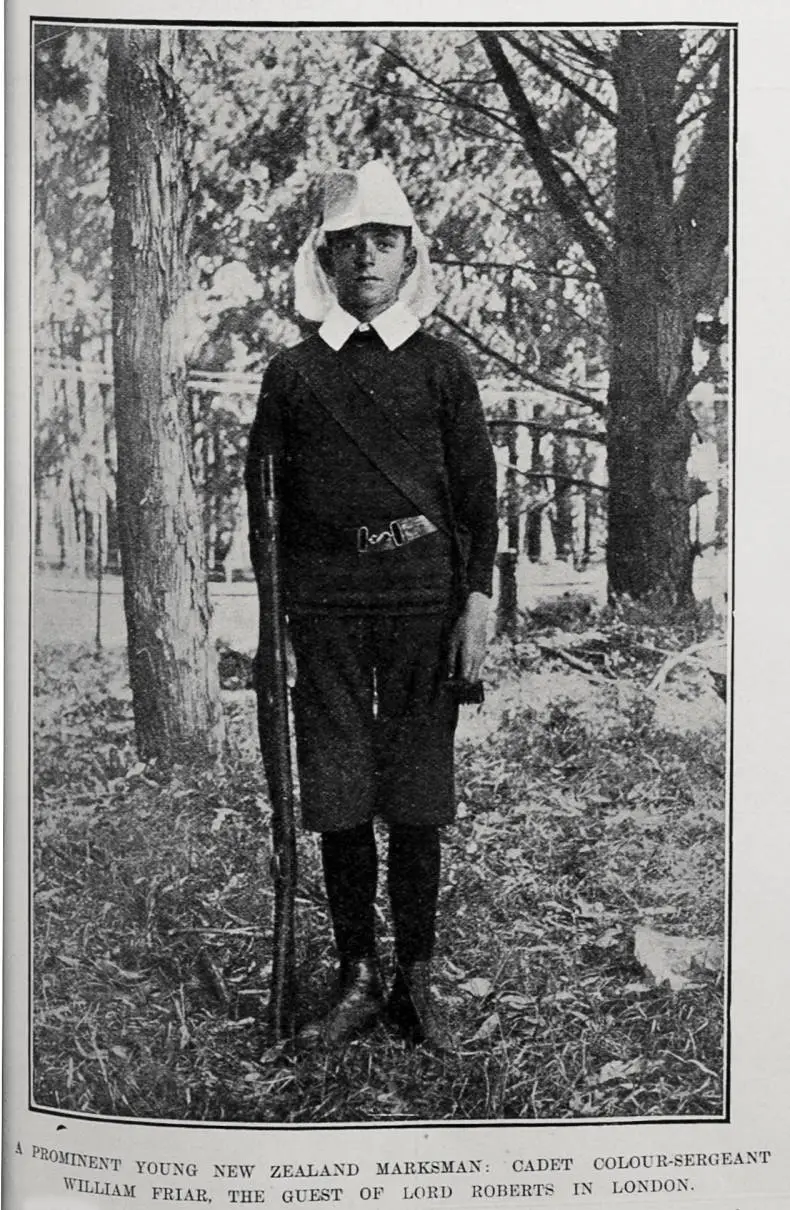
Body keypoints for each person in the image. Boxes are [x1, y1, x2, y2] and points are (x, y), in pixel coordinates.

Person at [245, 160, 498, 1050]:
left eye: (383, 243)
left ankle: (416, 978)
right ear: (327, 258)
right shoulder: (292, 374)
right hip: (325, 609)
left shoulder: (442, 369)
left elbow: (476, 494)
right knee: (343, 791)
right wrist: (274, 627)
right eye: (349, 245)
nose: (366, 261)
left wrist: (478, 599)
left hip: (425, 605)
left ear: (409, 256)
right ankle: (356, 976)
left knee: (420, 789)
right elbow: (263, 511)